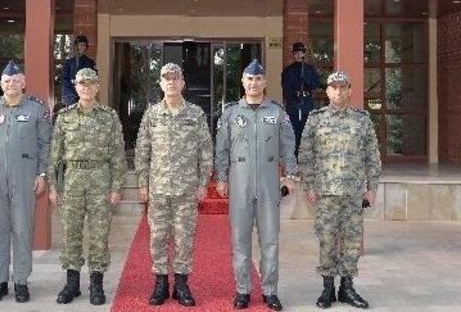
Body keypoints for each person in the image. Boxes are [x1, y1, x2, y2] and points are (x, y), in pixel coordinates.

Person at [215, 59, 297, 311]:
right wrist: (220, 176)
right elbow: (222, 147)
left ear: (265, 82)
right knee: (240, 240)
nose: (254, 83)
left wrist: (291, 175)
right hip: (239, 183)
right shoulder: (230, 113)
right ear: (243, 82)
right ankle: (242, 290)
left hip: (268, 183)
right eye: (249, 79)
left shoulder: (277, 112)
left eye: (258, 79)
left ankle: (270, 290)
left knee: (270, 239)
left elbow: (288, 145)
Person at [298, 71, 381, 309]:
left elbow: (372, 156)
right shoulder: (316, 119)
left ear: (350, 90)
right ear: (327, 91)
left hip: (354, 193)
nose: (338, 91)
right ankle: (327, 289)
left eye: (342, 87)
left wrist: (372, 187)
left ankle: (347, 287)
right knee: (327, 240)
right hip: (325, 193)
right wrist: (309, 186)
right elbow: (305, 155)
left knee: (351, 242)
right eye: (333, 88)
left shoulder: (362, 120)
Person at [135, 63, 213, 307]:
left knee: (184, 237)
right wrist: (142, 183)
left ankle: (181, 283)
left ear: (183, 83)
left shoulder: (196, 114)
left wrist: (203, 183)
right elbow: (142, 151)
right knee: (157, 237)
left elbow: (205, 151)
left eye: (175, 78)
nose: (171, 82)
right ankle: (160, 283)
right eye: (166, 78)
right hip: (158, 187)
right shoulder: (152, 114)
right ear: (160, 83)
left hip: (186, 189)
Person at [0, 61, 51, 303]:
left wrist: (42, 174)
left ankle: (21, 281)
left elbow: (45, 144)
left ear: (24, 83)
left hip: (25, 175)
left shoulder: (36, 109)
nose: (11, 85)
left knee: (22, 228)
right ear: (1, 84)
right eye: (7, 81)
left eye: (16, 81)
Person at [49, 68, 127, 306]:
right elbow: (55, 155)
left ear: (97, 87)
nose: (86, 88)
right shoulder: (64, 117)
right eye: (81, 84)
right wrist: (53, 186)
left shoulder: (109, 117)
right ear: (76, 87)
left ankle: (96, 283)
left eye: (90, 84)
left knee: (99, 235)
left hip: (100, 179)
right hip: (72, 179)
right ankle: (72, 284)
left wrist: (116, 186)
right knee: (70, 233)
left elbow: (117, 154)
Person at [281, 41, 320, 155]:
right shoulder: (288, 70)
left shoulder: (309, 69)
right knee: (293, 133)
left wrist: (307, 82)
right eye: (296, 52)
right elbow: (286, 88)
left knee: (306, 132)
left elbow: (315, 84)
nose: (298, 55)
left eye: (301, 52)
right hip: (294, 105)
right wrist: (294, 96)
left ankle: (306, 157)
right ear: (293, 54)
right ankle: (295, 157)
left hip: (306, 104)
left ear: (304, 54)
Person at [61, 35, 97, 107]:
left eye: (83, 45)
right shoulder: (69, 62)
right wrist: (73, 93)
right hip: (71, 96)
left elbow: (93, 79)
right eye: (78, 45)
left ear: (86, 47)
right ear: (75, 46)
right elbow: (65, 80)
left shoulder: (90, 62)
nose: (80, 47)